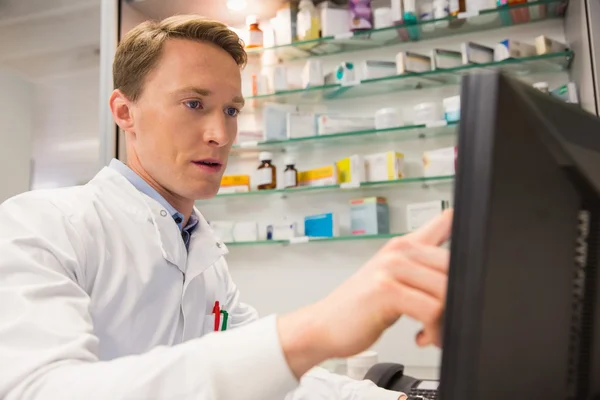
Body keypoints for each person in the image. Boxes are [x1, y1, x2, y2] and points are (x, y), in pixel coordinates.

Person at [0, 15, 452, 400]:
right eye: (194, 104)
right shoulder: (41, 225)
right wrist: (315, 329)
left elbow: (271, 376)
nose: (221, 134)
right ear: (124, 111)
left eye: (232, 110)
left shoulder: (200, 248)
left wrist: (385, 398)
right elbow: (43, 389)